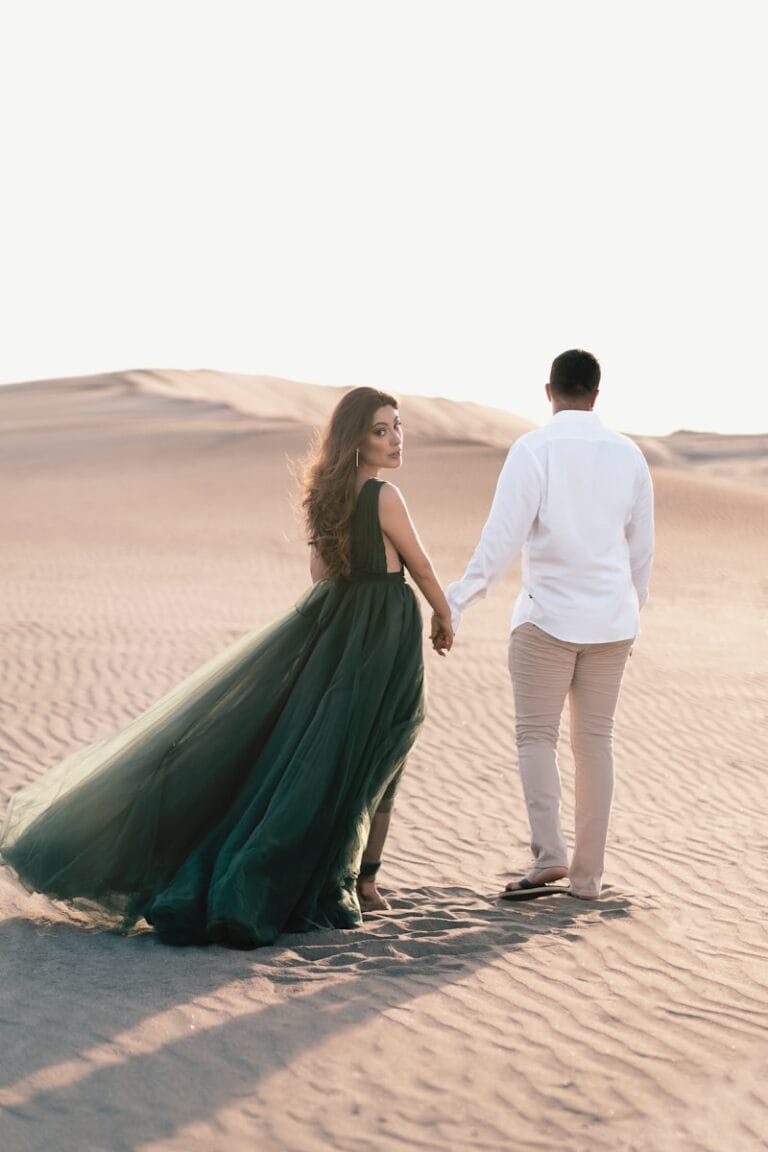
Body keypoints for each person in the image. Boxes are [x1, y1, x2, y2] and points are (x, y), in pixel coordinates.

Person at [0, 387, 454, 947]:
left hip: (335, 631)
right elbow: (423, 565)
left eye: (397, 427)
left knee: (317, 755)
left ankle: (357, 878)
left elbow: (320, 575)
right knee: (381, 748)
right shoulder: (385, 495)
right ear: (355, 440)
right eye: (381, 430)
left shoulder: (329, 496)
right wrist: (443, 614)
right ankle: (362, 882)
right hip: (381, 633)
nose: (395, 439)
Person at [438, 350, 654, 901]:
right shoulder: (629, 455)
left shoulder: (534, 450)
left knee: (536, 736)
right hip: (611, 622)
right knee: (596, 743)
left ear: (548, 391)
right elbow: (641, 551)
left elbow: (501, 538)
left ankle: (550, 855)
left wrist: (458, 601)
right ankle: (587, 879)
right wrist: (632, 613)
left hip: (547, 619)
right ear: (597, 395)